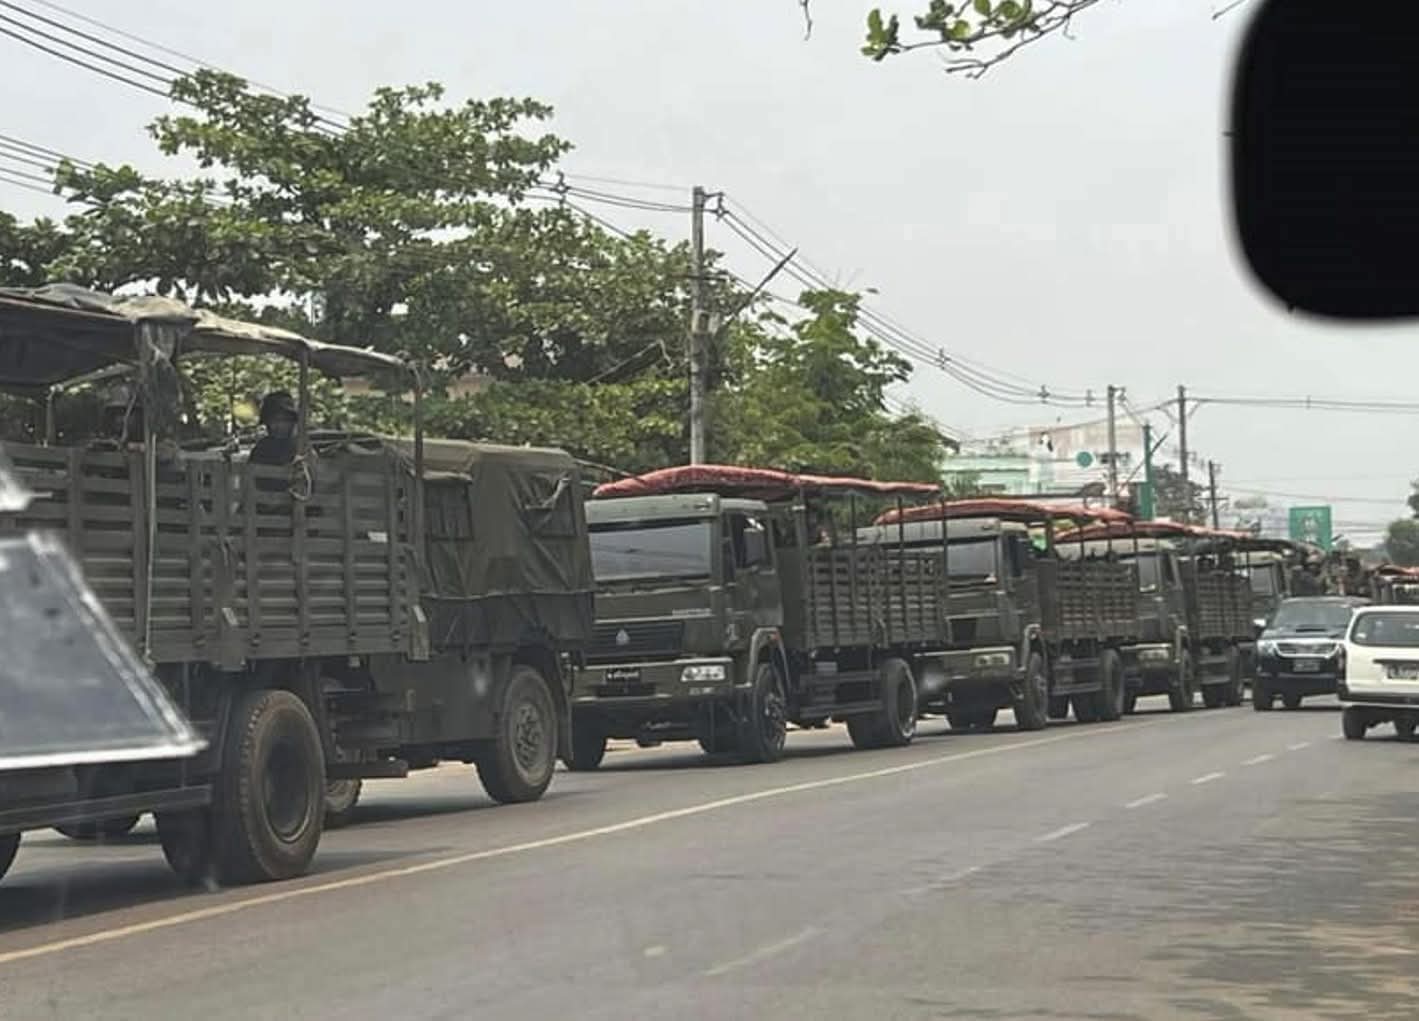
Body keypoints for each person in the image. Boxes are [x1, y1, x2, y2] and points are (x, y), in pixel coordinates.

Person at [248, 391, 299, 466]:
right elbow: (252, 473)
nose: (280, 426)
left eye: (285, 420)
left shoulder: (301, 446)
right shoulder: (262, 449)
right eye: (274, 420)